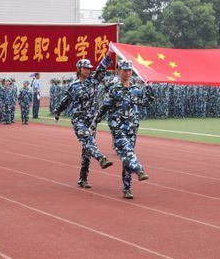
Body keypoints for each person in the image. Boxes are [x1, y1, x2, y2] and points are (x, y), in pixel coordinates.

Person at [91, 60, 154, 199]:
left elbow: (146, 103)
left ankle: (127, 188)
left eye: (129, 70)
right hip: (117, 126)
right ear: (119, 71)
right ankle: (139, 169)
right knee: (128, 150)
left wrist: (149, 87)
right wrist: (94, 122)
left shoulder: (136, 89)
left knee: (126, 157)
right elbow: (104, 107)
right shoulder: (114, 89)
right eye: (124, 70)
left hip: (132, 127)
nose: (127, 73)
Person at [53, 53, 114, 189]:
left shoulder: (93, 81)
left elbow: (101, 69)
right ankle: (101, 158)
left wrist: (108, 56)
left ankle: (83, 178)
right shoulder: (73, 86)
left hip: (91, 121)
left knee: (87, 150)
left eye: (89, 68)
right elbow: (65, 101)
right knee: (88, 141)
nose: (88, 70)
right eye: (85, 68)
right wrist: (57, 112)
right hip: (78, 120)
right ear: (79, 69)